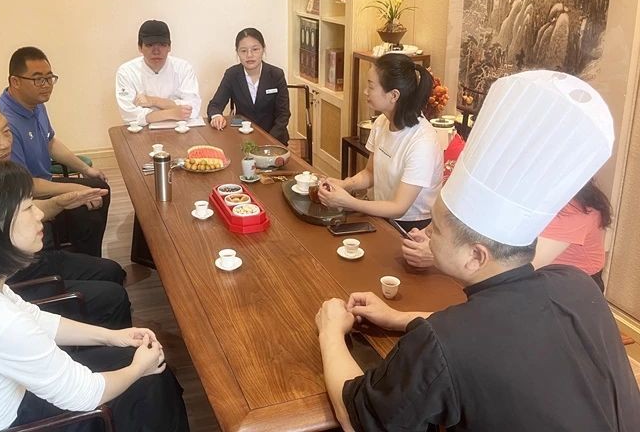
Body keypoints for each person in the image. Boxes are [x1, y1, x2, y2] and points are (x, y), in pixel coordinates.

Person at [315, 70, 640, 431]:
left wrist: (330, 330)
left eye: (436, 228)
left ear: (476, 255)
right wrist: (397, 317)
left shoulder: (443, 342)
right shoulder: (575, 284)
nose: (426, 233)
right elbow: (492, 329)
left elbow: (357, 418)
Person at [0, 161, 189, 432]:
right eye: (28, 207)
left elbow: (32, 317)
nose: (39, 214)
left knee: (142, 368)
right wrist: (139, 368)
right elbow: (86, 394)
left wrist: (112, 336)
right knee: (151, 382)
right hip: (1, 422)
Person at [0, 95, 130, 329]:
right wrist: (58, 203)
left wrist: (60, 202)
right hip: (13, 282)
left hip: (27, 260)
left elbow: (22, 214)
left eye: (7, 132)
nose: (5, 144)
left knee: (112, 271)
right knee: (114, 297)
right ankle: (108, 345)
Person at [403, 179, 612, 294]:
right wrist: (431, 234)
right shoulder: (523, 186)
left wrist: (440, 253)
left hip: (570, 291)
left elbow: (519, 267)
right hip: (523, 281)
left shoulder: (577, 209)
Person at [0, 47, 110, 258]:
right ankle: (83, 262)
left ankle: (90, 258)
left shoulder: (36, 104)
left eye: (49, 78)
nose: (46, 85)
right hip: (25, 195)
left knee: (100, 187)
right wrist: (75, 188)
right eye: (38, 79)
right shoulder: (5, 123)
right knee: (88, 210)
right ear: (15, 81)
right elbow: (24, 184)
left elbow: (50, 143)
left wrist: (85, 169)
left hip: (44, 182)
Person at [318, 53, 442, 230]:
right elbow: (370, 173)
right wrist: (345, 185)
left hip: (410, 228)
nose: (365, 91)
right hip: (380, 215)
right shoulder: (382, 122)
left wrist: (349, 202)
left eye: (371, 86)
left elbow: (398, 208)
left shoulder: (423, 143)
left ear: (394, 95)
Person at [207, 27, 290, 145]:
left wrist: (269, 140)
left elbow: (283, 115)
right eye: (243, 51)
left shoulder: (276, 74)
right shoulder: (232, 74)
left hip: (274, 139)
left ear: (263, 49)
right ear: (237, 52)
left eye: (255, 49)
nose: (249, 55)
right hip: (243, 139)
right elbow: (215, 105)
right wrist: (216, 116)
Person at [115, 20, 202, 125]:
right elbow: (128, 114)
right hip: (142, 131)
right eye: (150, 45)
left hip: (180, 129)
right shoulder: (126, 72)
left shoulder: (183, 68)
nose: (156, 51)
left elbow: (193, 108)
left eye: (162, 44)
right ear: (140, 47)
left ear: (169, 47)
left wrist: (154, 101)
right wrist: (171, 113)